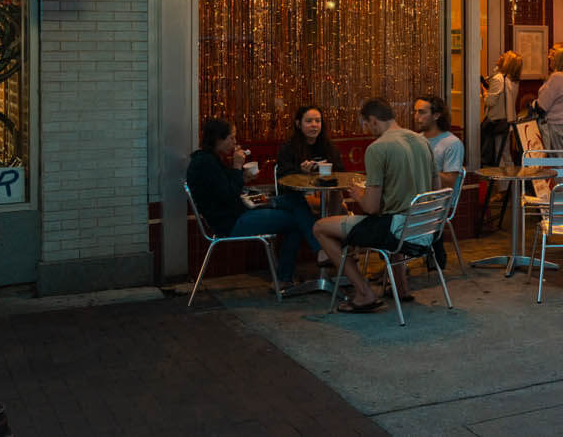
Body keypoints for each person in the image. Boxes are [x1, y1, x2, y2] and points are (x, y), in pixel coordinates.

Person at [312, 98, 438, 313]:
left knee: (321, 227)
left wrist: (359, 194)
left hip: (396, 231)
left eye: (366, 125)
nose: (368, 130)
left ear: (373, 121)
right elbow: (434, 188)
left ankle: (363, 293)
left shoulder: (377, 148)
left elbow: (370, 208)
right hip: (425, 230)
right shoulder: (422, 141)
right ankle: (401, 288)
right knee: (391, 216)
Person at [186, 118, 311, 284]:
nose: (235, 142)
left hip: (237, 212)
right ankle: (288, 275)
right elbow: (228, 194)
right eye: (232, 137)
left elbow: (227, 187)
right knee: (296, 222)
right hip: (231, 222)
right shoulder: (204, 163)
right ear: (218, 139)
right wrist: (237, 167)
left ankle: (296, 268)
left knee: (296, 200)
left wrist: (243, 177)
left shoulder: (212, 159)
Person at [274, 105, 344, 254]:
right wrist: (301, 171)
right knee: (299, 209)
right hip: (296, 197)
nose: (314, 125)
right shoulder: (289, 148)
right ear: (299, 124)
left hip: (323, 196)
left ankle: (339, 250)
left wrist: (328, 170)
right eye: (309, 121)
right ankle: (324, 250)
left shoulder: (328, 146)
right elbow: (283, 178)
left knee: (340, 202)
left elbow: (341, 172)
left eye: (317, 121)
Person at [413, 94, 464, 190]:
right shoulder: (416, 140)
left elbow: (451, 182)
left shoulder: (452, 143)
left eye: (421, 112)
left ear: (436, 115)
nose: (416, 116)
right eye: (415, 112)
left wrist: (422, 168)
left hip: (437, 201)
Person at [481, 51, 522, 166]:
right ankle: (511, 182)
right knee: (505, 153)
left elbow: (490, 102)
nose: (499, 57)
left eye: (503, 57)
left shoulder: (498, 78)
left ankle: (503, 181)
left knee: (499, 155)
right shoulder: (513, 80)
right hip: (507, 122)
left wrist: (485, 93)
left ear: (507, 62)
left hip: (496, 122)